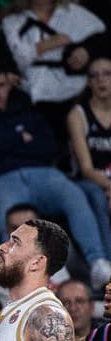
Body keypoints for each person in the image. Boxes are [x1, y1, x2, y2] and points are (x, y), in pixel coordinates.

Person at [0, 64, 111, 287]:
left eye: (0, 85)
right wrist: (20, 138)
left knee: (74, 194)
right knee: (3, 214)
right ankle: (11, 270)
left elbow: (48, 146)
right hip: (4, 178)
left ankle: (98, 262)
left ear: (9, 85)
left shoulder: (27, 111)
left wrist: (5, 142)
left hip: (43, 174)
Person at [2, 0, 105, 114]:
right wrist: (44, 46)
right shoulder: (13, 22)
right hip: (29, 94)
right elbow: (12, 60)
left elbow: (102, 39)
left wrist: (87, 51)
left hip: (75, 94)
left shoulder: (75, 14)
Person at [68, 54, 111, 256]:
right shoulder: (78, 115)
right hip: (89, 182)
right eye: (94, 75)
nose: (101, 80)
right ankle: (107, 264)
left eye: (107, 74)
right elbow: (86, 169)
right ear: (88, 82)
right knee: (97, 196)